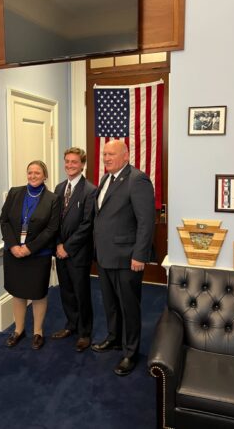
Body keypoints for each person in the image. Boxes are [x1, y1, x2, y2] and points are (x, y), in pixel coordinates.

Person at [92, 140, 155, 376]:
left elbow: (146, 222)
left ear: (126, 155)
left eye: (111, 154)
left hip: (128, 257)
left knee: (129, 307)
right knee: (110, 303)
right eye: (104, 154)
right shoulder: (105, 179)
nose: (106, 158)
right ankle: (114, 338)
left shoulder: (137, 179)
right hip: (105, 255)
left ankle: (130, 352)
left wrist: (140, 255)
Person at [0, 160, 61, 350]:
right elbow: (4, 220)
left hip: (38, 255)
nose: (33, 176)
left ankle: (37, 332)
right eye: (30, 173)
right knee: (18, 293)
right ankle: (18, 330)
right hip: (14, 253)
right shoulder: (14, 193)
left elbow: (52, 229)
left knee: (38, 294)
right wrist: (13, 245)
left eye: (37, 173)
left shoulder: (53, 199)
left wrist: (30, 248)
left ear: (45, 176)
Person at [52, 147, 96, 352]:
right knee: (66, 291)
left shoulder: (90, 190)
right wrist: (59, 245)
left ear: (82, 164)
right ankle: (71, 325)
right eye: (67, 161)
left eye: (74, 162)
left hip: (78, 253)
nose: (70, 165)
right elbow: (55, 221)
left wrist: (68, 247)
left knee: (81, 292)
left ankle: (85, 332)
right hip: (60, 250)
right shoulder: (59, 188)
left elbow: (87, 224)